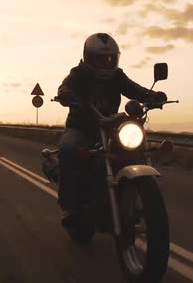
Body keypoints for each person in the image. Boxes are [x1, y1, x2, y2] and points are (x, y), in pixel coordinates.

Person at [56, 33, 166, 223]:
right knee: (68, 147)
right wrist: (65, 95)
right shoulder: (78, 74)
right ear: (88, 58)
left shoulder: (117, 76)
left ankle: (126, 194)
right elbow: (64, 87)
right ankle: (69, 205)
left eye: (108, 59)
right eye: (99, 59)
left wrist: (152, 95)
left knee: (131, 151)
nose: (104, 64)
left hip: (109, 127)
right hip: (81, 127)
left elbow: (132, 88)